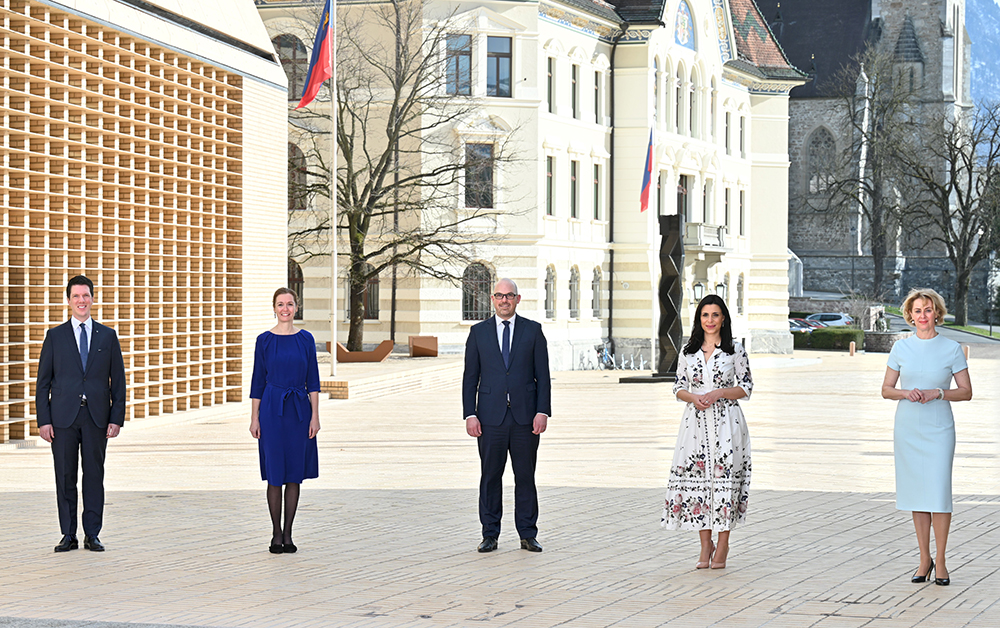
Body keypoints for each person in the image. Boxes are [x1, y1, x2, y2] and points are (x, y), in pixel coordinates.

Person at [881, 288, 972, 586]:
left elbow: (966, 392)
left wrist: (939, 393)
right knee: (917, 495)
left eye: (928, 310)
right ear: (910, 315)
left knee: (939, 494)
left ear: (937, 313)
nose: (923, 315)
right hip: (908, 427)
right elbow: (886, 390)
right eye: (917, 310)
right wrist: (906, 392)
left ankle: (941, 561)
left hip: (939, 428)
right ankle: (924, 559)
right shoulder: (901, 348)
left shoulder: (952, 348)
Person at [36, 275, 127, 553]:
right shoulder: (55, 337)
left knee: (93, 476)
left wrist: (116, 418)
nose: (81, 301)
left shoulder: (107, 336)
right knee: (65, 476)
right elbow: (42, 383)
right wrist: (44, 420)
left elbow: (118, 381)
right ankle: (68, 534)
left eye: (85, 295)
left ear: (92, 299)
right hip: (63, 418)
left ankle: (92, 534)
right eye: (76, 296)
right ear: (68, 300)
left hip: (96, 417)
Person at [661, 294, 752, 570]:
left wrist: (719, 393)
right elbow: (678, 386)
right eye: (705, 315)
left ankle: (723, 543)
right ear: (698, 319)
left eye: (715, 315)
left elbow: (746, 387)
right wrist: (693, 397)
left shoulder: (735, 350)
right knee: (700, 482)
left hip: (727, 423)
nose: (710, 320)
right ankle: (705, 544)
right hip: (695, 425)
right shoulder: (688, 352)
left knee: (724, 482)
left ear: (723, 318)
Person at [463, 278, 551, 553]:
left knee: (525, 477)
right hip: (490, 419)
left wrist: (542, 411)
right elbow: (470, 378)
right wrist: (470, 414)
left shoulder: (533, 331)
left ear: (517, 299)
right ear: (492, 299)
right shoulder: (478, 333)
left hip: (526, 419)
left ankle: (528, 534)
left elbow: (543, 376)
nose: (504, 300)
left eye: (509, 295)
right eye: (500, 295)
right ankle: (490, 534)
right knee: (490, 477)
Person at [249, 288, 321, 554]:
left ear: (296, 307)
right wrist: (254, 418)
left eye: (290, 304)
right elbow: (257, 381)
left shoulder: (306, 339)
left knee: (294, 474)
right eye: (280, 304)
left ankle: (288, 533)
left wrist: (315, 416)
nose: (285, 309)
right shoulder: (264, 340)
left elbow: (313, 381)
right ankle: (275, 534)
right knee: (275, 474)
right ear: (274, 308)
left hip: (299, 412)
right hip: (271, 411)